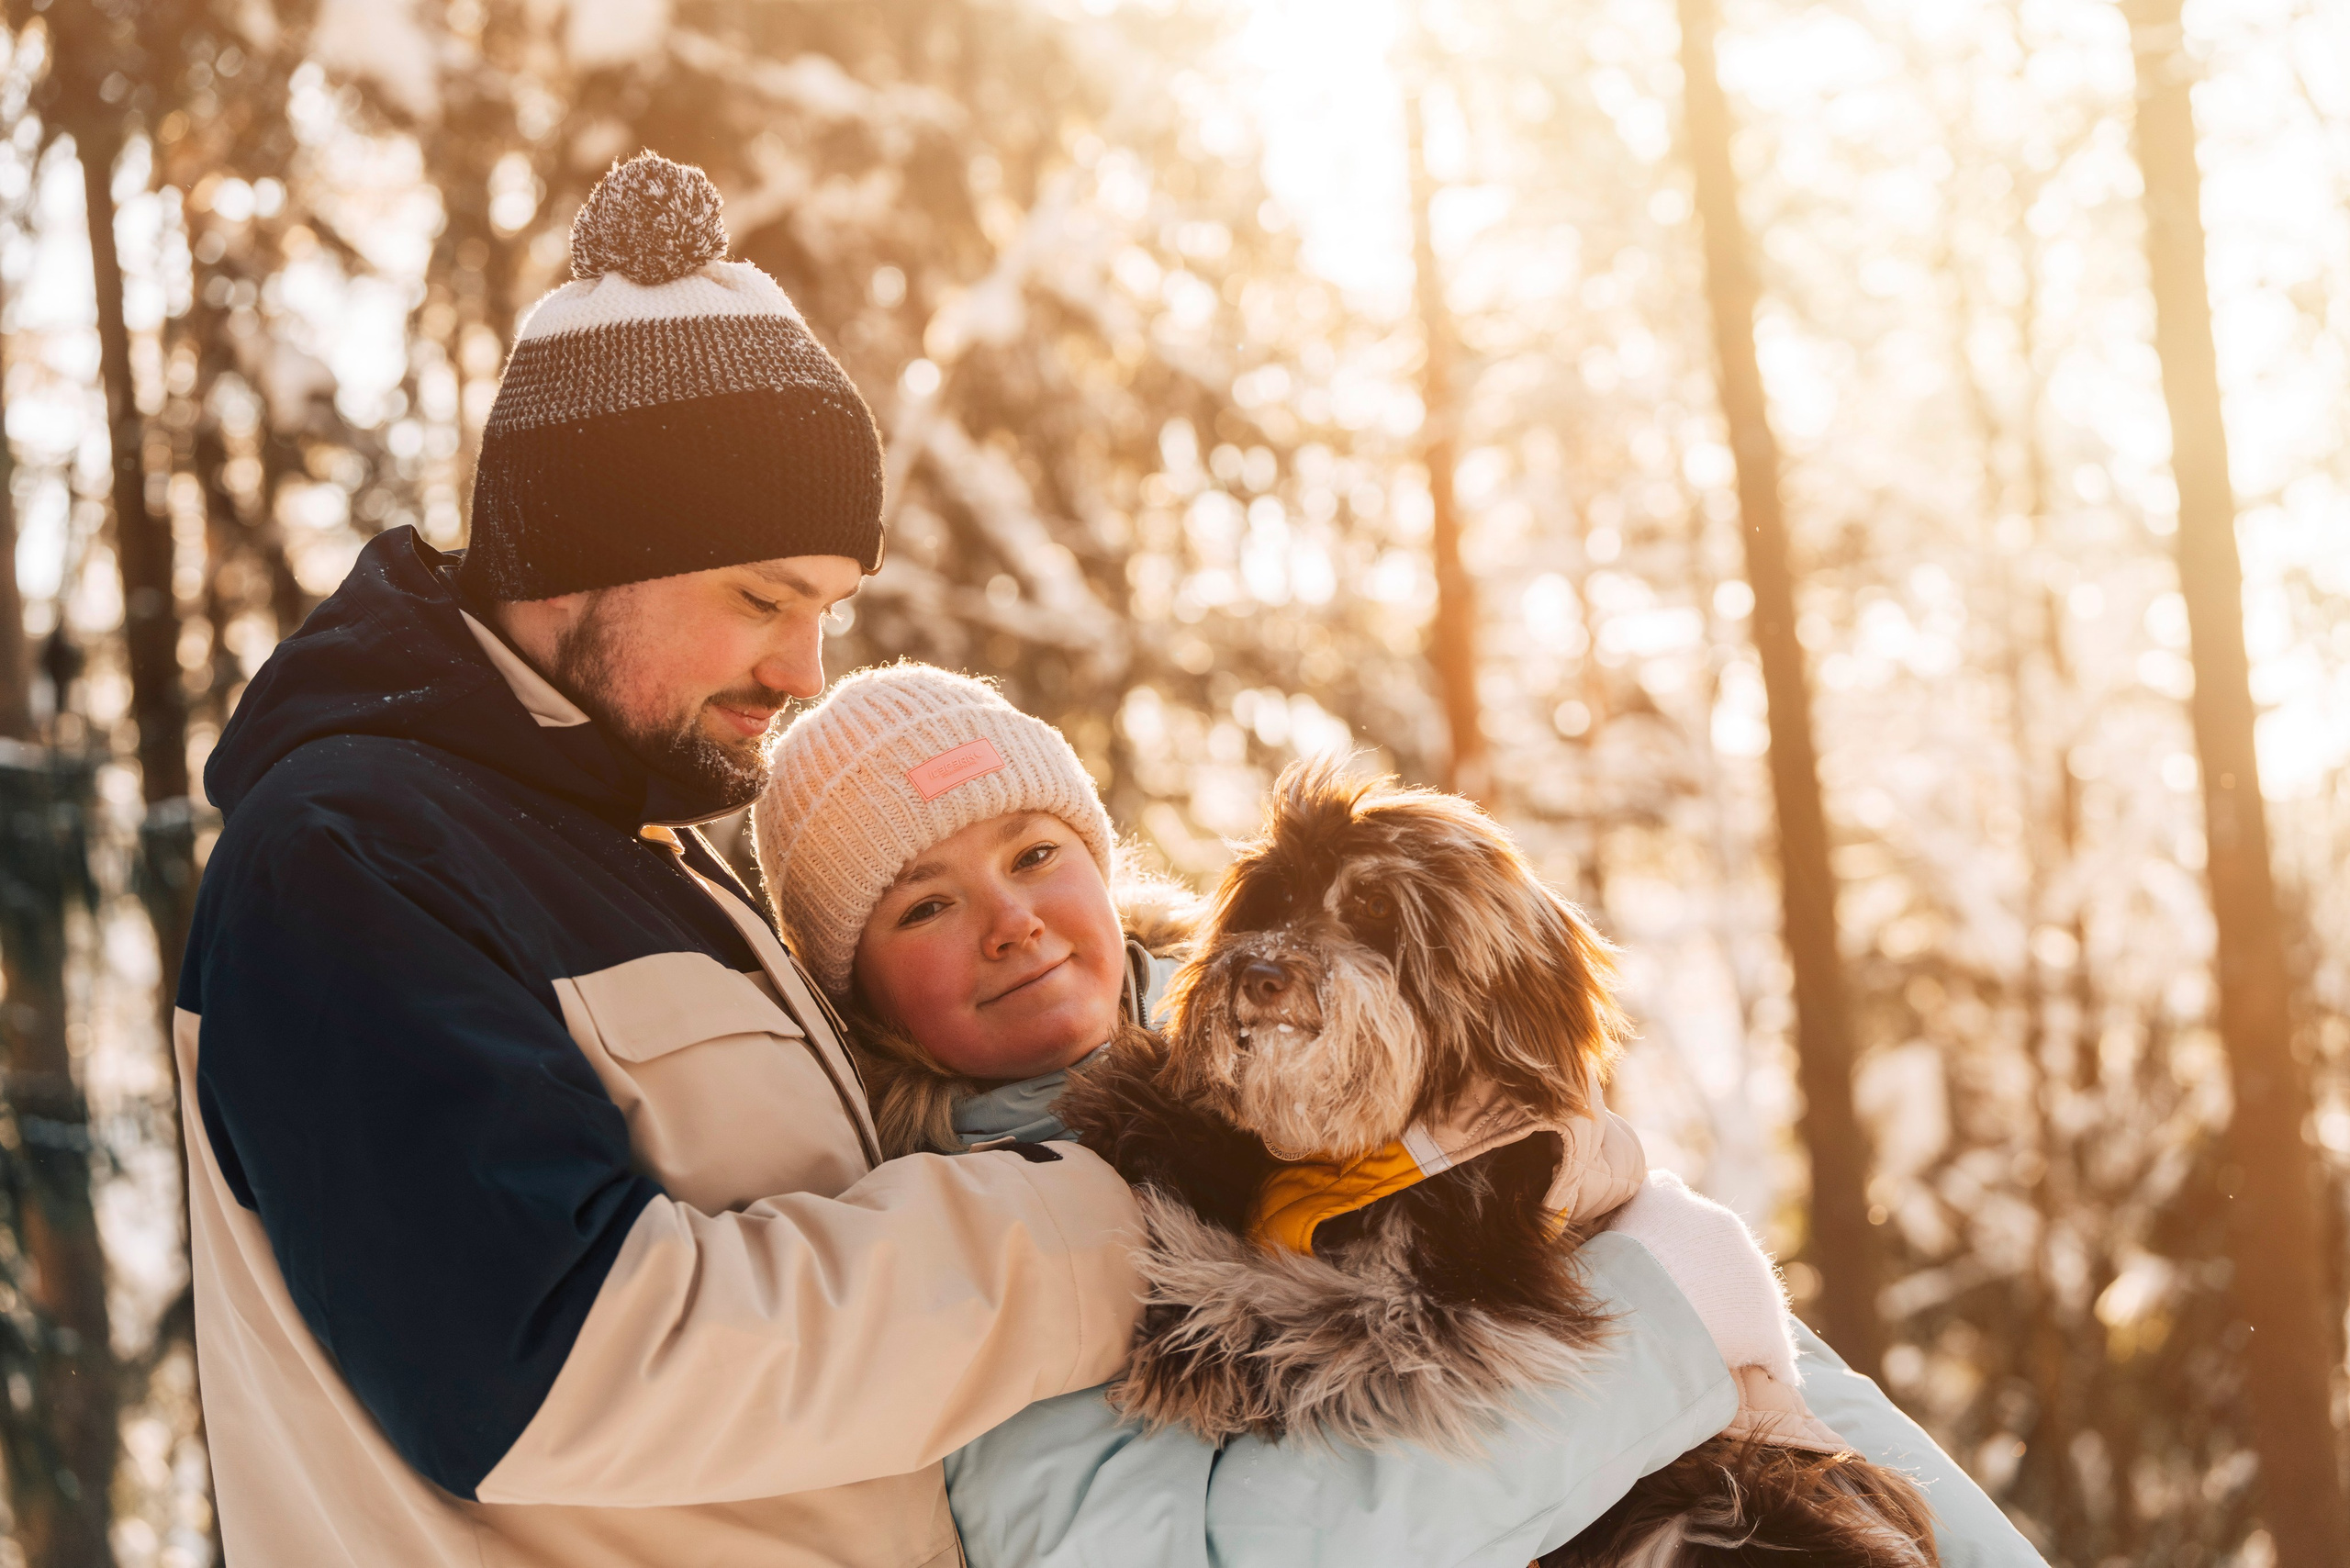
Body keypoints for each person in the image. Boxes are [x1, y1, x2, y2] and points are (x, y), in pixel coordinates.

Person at [175, 152, 1148, 1567]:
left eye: (829, 607)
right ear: (572, 558)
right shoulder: (351, 859)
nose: (805, 666)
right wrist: (1108, 1230)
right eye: (764, 597)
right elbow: (557, 1366)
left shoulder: (636, 854)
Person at [754, 662, 2048, 1567]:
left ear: (1097, 859)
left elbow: (1783, 1384)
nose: (1013, 920)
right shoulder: (968, 1240)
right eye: (923, 904)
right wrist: (1658, 1332)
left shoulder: (1332, 1045)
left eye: (1035, 853)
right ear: (855, 989)